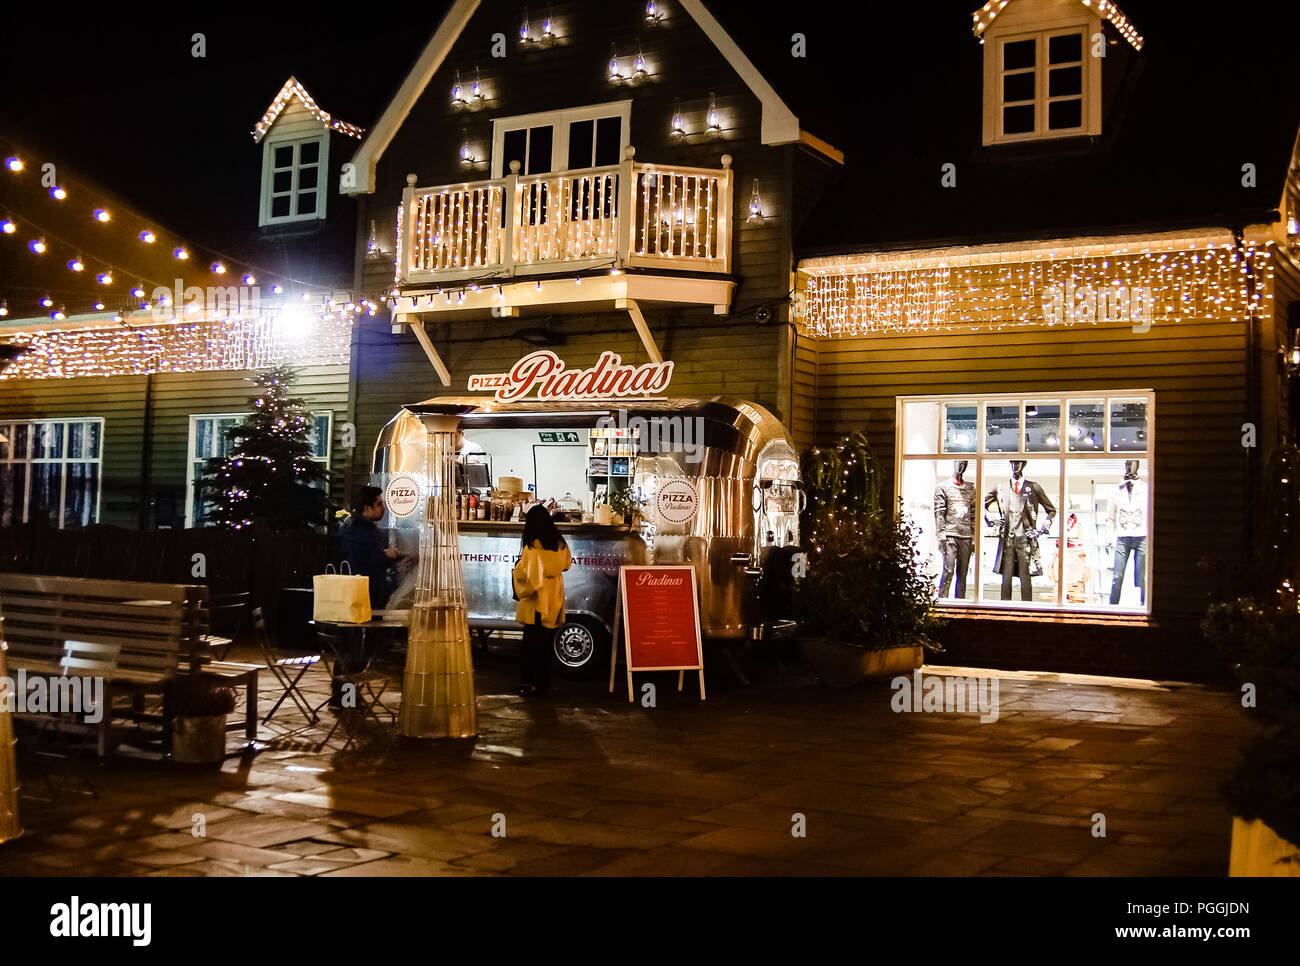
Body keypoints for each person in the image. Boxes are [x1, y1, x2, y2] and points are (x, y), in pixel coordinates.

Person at [332, 485, 399, 708]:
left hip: (358, 596)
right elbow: (371, 562)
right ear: (366, 507)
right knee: (353, 650)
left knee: (353, 649)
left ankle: (343, 696)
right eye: (379, 504)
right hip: (360, 598)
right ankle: (346, 698)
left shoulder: (358, 529)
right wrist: (391, 557)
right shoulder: (361, 532)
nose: (383, 508)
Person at [511, 504, 572, 697]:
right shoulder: (559, 543)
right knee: (545, 644)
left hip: (535, 602)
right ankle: (543, 683)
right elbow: (567, 565)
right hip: (553, 599)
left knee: (531, 645)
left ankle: (530, 683)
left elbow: (527, 578)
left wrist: (517, 569)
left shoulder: (532, 548)